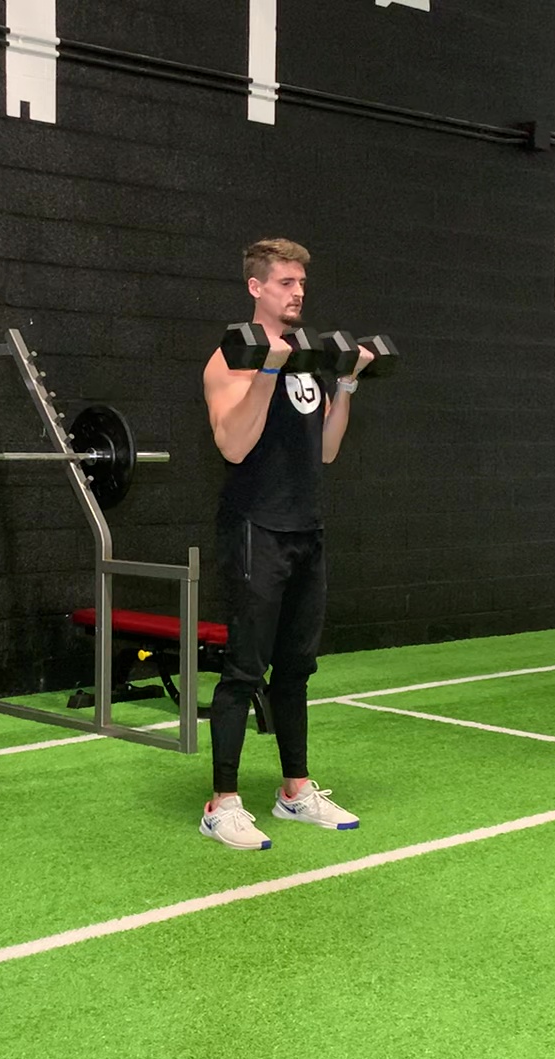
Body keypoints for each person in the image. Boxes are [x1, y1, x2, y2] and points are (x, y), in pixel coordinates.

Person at [197, 238, 373, 851]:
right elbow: (233, 445)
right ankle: (221, 803)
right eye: (285, 283)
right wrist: (268, 371)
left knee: (296, 666)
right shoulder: (230, 360)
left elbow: (326, 449)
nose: (297, 293)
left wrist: (345, 386)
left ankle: (294, 790)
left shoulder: (308, 359)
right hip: (255, 528)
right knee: (244, 668)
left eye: (301, 283)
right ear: (256, 287)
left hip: (306, 529)